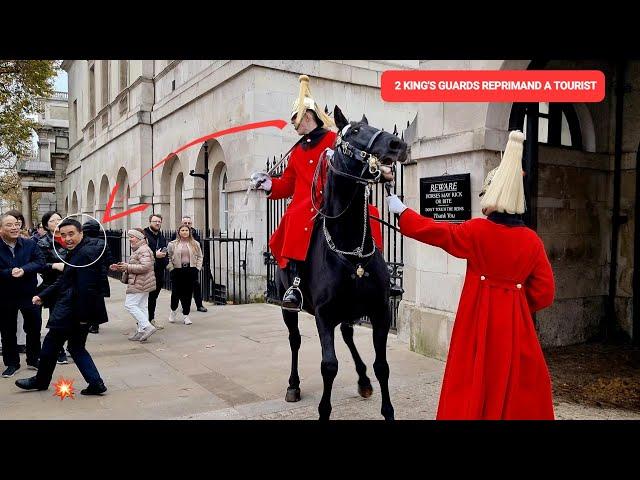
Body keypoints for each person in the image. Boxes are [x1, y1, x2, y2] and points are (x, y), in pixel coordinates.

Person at [386, 130, 556, 420]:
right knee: (514, 388)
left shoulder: (478, 231)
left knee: (473, 382)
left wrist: (403, 213)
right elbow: (545, 293)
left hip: (478, 323)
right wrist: (513, 303)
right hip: (516, 329)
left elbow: (438, 233)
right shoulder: (532, 241)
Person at [249, 74, 382, 311]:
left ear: (308, 116)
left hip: (336, 200)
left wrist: (337, 161)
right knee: (294, 219)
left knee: (368, 214)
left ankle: (378, 272)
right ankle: (296, 285)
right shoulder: (297, 151)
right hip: (305, 205)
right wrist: (268, 183)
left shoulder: (334, 140)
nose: (293, 125)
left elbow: (352, 164)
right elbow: (288, 184)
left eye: (295, 120)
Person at [15, 218, 108, 395]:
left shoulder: (84, 254)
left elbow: (88, 289)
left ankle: (41, 380)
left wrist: (83, 318)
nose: (67, 239)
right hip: (75, 308)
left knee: (51, 343)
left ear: (81, 233)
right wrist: (43, 296)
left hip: (74, 310)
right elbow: (65, 279)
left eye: (71, 234)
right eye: (64, 235)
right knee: (76, 347)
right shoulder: (80, 250)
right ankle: (96, 383)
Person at [0, 213, 46, 377]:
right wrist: (8, 272)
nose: (14, 228)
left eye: (16, 224)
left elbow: (40, 262)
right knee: (7, 331)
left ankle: (34, 359)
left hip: (29, 293)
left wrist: (24, 269)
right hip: (5, 295)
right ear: (1, 229)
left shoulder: (29, 244)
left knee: (34, 327)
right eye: (9, 225)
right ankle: (12, 363)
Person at [110, 228, 157, 342]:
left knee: (130, 304)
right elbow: (138, 265)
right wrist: (123, 267)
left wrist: (127, 267)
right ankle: (141, 331)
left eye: (132, 237)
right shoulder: (140, 249)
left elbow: (145, 267)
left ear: (139, 237)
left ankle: (147, 327)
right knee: (142, 306)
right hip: (142, 281)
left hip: (140, 282)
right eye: (130, 237)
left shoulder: (143, 250)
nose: (130, 239)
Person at [37, 211, 71, 363]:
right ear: (46, 225)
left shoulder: (70, 237)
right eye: (53, 220)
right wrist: (55, 266)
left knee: (73, 318)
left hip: (73, 283)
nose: (57, 222)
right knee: (57, 318)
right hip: (55, 285)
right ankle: (59, 351)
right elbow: (39, 264)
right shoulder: (43, 242)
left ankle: (73, 347)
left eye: (59, 219)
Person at [82, 218, 115, 334]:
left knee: (85, 299)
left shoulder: (82, 243)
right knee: (97, 299)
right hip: (99, 274)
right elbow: (109, 259)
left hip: (85, 275)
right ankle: (95, 324)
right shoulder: (102, 243)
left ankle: (87, 322)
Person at [166, 224, 203, 325]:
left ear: (189, 232)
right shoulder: (172, 244)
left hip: (190, 270)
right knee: (176, 293)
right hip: (177, 270)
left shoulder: (195, 243)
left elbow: (200, 256)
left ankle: (186, 315)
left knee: (187, 294)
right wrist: (171, 268)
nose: (184, 232)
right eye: (182, 230)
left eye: (186, 230)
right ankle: (173, 311)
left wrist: (197, 268)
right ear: (179, 232)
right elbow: (168, 257)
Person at [143, 214, 168, 329]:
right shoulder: (144, 235)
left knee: (153, 297)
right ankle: (143, 321)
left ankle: (151, 319)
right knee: (144, 298)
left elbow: (164, 252)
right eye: (155, 221)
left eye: (159, 221)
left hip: (159, 271)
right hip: (147, 271)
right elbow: (140, 252)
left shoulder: (161, 236)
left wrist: (165, 260)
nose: (157, 223)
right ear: (150, 222)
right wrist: (154, 254)